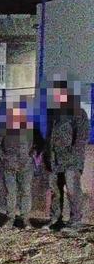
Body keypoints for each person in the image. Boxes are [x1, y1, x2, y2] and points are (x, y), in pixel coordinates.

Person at [45, 78, 89, 230]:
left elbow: (81, 138)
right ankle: (55, 220)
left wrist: (72, 156)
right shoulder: (54, 114)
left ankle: (75, 221)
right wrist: (48, 155)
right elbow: (50, 136)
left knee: (72, 190)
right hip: (55, 160)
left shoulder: (78, 113)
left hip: (71, 161)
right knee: (55, 192)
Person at [0, 102, 38, 228]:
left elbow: (39, 144)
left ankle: (25, 219)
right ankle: (10, 218)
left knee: (26, 192)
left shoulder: (30, 129)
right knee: (10, 193)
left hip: (26, 167)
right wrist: (3, 158)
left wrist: (31, 154)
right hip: (9, 167)